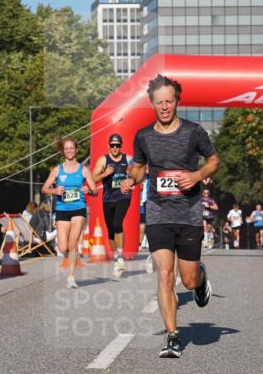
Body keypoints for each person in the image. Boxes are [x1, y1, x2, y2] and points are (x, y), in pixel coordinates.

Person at [127, 74, 220, 359]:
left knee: (188, 280)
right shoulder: (143, 136)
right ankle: (173, 336)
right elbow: (139, 169)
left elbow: (214, 161)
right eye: (159, 102)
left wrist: (197, 175)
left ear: (177, 101)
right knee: (165, 275)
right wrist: (131, 178)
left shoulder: (194, 132)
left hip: (189, 214)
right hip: (158, 213)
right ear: (151, 104)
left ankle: (201, 279)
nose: (164, 107)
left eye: (169, 101)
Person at [43, 136, 97, 289]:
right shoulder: (57, 170)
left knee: (73, 243)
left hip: (79, 208)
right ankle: (71, 259)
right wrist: (54, 190)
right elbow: (44, 188)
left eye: (71, 148)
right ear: (63, 151)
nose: (69, 151)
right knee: (62, 247)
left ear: (76, 150)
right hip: (62, 209)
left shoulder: (84, 169)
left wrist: (89, 190)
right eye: (66, 149)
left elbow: (94, 191)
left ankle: (71, 276)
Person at [92, 133, 134, 277]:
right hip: (108, 199)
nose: (115, 148)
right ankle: (117, 259)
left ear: (121, 146)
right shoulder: (103, 160)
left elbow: (139, 171)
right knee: (110, 231)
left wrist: (131, 174)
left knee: (117, 224)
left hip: (124, 196)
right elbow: (93, 178)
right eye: (112, 145)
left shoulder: (127, 159)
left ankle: (121, 256)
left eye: (117, 145)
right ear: (109, 146)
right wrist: (105, 174)